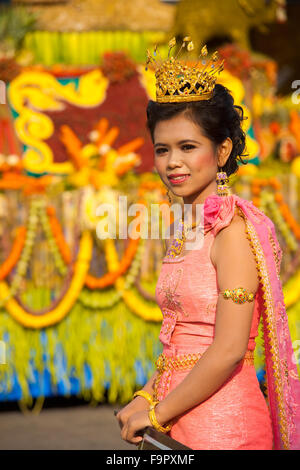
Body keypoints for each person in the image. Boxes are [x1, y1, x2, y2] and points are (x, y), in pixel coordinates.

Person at [115, 38, 300, 450]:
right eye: (162, 149)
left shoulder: (233, 233)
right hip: (176, 419)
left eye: (187, 147)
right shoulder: (187, 227)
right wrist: (146, 396)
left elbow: (229, 350)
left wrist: (156, 412)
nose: (172, 162)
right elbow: (179, 345)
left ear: (222, 150)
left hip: (224, 429)